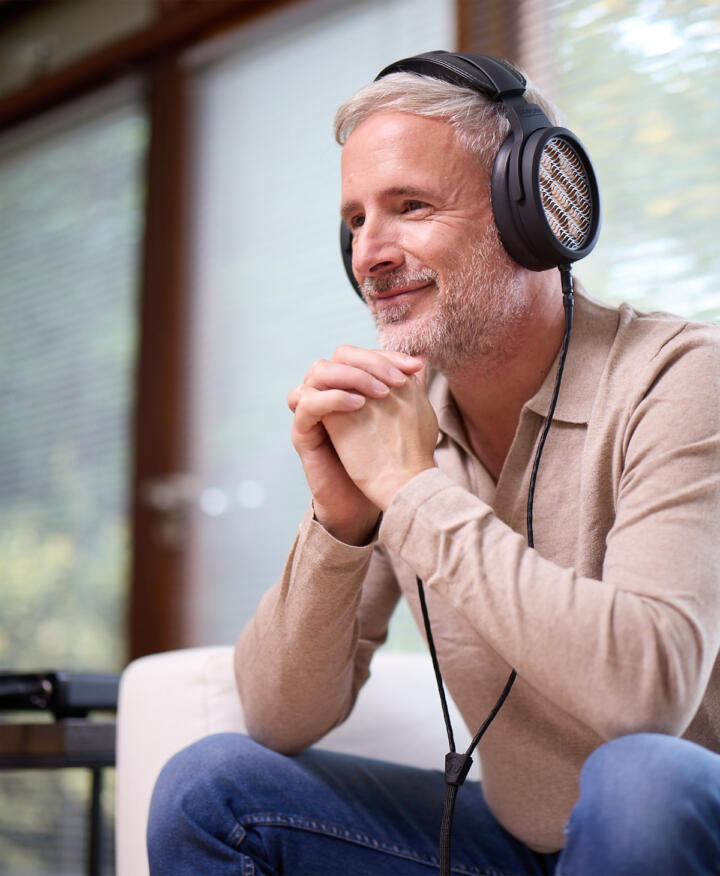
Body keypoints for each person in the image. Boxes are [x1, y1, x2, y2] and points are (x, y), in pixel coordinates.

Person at [147, 52, 720, 875]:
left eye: (409, 206)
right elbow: (277, 718)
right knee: (211, 789)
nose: (369, 254)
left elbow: (646, 695)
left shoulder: (681, 375)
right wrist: (342, 524)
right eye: (354, 220)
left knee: (639, 784)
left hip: (678, 831)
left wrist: (411, 492)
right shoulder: (402, 423)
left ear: (533, 211)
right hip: (522, 848)